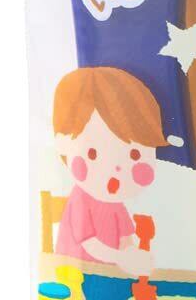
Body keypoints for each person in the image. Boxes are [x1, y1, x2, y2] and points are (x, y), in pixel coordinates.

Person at [51, 66, 164, 270]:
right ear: (64, 144)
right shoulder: (81, 199)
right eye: (92, 154)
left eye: (135, 155)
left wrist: (133, 256)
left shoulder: (115, 204)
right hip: (75, 272)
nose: (116, 169)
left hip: (109, 273)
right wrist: (121, 258)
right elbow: (90, 244)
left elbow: (126, 239)